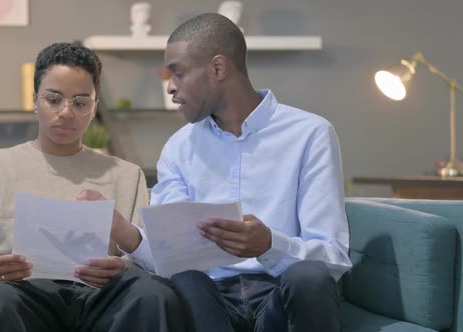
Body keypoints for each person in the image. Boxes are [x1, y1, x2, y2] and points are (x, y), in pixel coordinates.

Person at [0, 42, 191, 332]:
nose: (67, 112)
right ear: (35, 100)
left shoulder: (127, 175)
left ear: (94, 108)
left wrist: (123, 267)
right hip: (22, 294)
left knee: (155, 294)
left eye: (81, 102)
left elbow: (149, 261)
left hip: (101, 297)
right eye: (54, 99)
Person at [127, 13, 352, 332]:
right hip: (208, 303)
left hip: (280, 295)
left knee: (310, 275)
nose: (171, 88)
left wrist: (269, 245)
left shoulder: (310, 134)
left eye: (178, 74)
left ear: (218, 69)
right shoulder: (178, 148)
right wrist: (127, 236)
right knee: (185, 277)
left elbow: (332, 259)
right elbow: (171, 256)